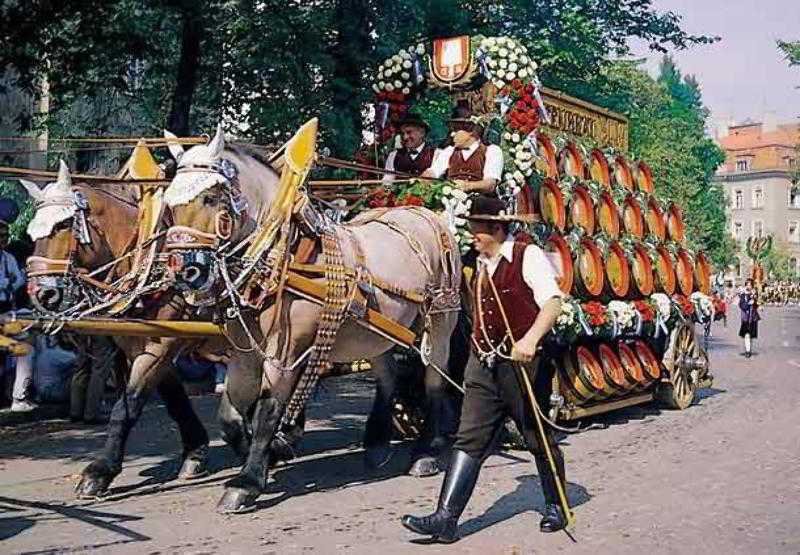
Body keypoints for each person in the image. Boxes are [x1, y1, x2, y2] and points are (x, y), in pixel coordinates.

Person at [401, 195, 566, 543]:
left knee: (535, 435)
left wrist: (530, 340)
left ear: (495, 227)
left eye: (476, 227)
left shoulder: (527, 255)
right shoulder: (474, 264)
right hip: (483, 363)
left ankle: (557, 506)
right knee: (470, 437)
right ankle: (445, 519)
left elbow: (552, 303)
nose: (471, 233)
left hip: (522, 363)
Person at [422, 101, 503, 194]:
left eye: (456, 130)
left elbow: (490, 185)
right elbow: (432, 173)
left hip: (479, 201)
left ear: (471, 131)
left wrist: (467, 186)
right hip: (450, 199)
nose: (452, 134)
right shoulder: (449, 151)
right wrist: (420, 180)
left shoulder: (492, 151)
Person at [382, 114, 438, 184]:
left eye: (409, 132)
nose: (405, 137)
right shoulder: (394, 155)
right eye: (402, 133)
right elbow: (387, 183)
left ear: (422, 133)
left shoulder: (436, 154)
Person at [739, 279, 760, 358]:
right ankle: (747, 351)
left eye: (750, 285)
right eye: (747, 285)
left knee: (751, 335)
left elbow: (757, 303)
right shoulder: (743, 295)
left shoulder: (754, 294)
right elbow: (741, 305)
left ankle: (749, 349)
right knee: (746, 334)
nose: (749, 286)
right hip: (745, 318)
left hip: (753, 317)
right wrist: (748, 304)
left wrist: (756, 303)